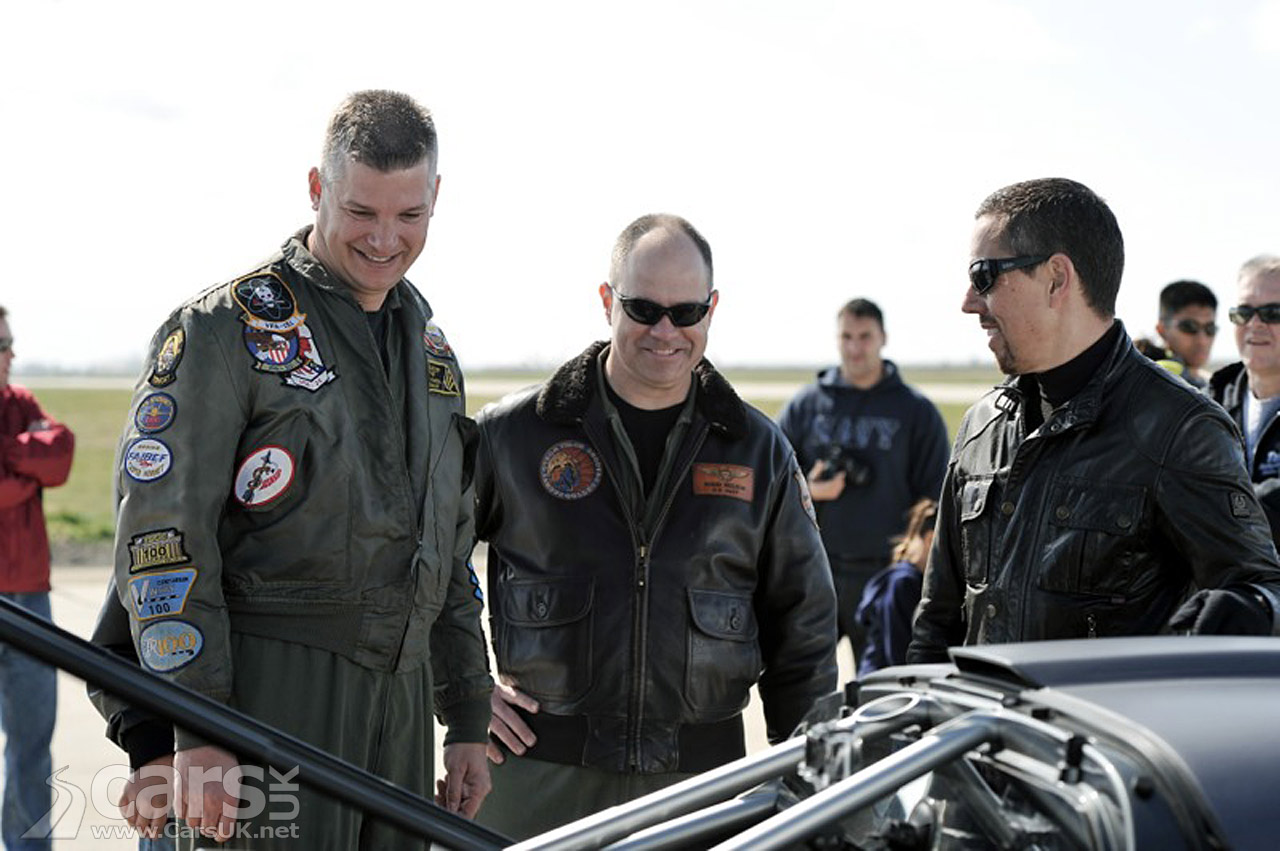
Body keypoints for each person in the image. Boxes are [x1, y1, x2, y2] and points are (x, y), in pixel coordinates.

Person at [88, 90, 493, 849]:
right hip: (265, 711)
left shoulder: (432, 357)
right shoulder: (224, 332)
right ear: (316, 188)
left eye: (409, 215)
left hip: (401, 719)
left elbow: (448, 547)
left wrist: (467, 714)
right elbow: (163, 542)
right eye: (361, 211)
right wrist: (196, 725)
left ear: (436, 197)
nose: (385, 239)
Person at [473, 214, 838, 839]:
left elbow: (803, 627)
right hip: (536, 777)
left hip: (701, 788)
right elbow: (423, 566)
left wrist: (809, 778)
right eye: (643, 309)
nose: (665, 331)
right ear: (607, 301)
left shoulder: (758, 451)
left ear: (712, 309)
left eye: (686, 312)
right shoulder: (512, 435)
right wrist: (464, 687)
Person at [908, 178, 1280, 664]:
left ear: (1056, 278)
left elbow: (1262, 588)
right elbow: (937, 624)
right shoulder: (983, 426)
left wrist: (1244, 609)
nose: (969, 302)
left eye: (984, 276)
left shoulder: (1178, 429)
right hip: (984, 715)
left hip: (1103, 716)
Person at [777, 299, 948, 660]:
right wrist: (810, 489)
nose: (855, 347)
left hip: (883, 571)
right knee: (801, 678)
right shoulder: (806, 406)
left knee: (882, 679)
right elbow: (772, 481)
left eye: (865, 336)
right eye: (847, 337)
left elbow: (935, 495)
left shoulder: (915, 411)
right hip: (815, 568)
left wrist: (913, 563)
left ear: (883, 337)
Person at [0, 307, 74, 850]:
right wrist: (23, 465)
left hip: (28, 599)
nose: (11, 354)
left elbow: (60, 457)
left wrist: (9, 454)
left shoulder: (21, 404)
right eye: (0, 345)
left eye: (9, 342)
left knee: (32, 743)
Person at [1210, 255, 1280, 546]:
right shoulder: (1207, 406)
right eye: (1243, 312)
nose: (1255, 324)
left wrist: (1213, 512)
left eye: (1272, 313)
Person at [854, 498, 935, 677]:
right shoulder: (903, 582)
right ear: (930, 539)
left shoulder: (907, 578)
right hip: (880, 685)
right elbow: (899, 654)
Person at [1136, 280, 1218, 388]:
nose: (1202, 340)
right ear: (1162, 330)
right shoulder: (1149, 377)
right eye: (1189, 327)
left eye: (1210, 329)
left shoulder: (1207, 383)